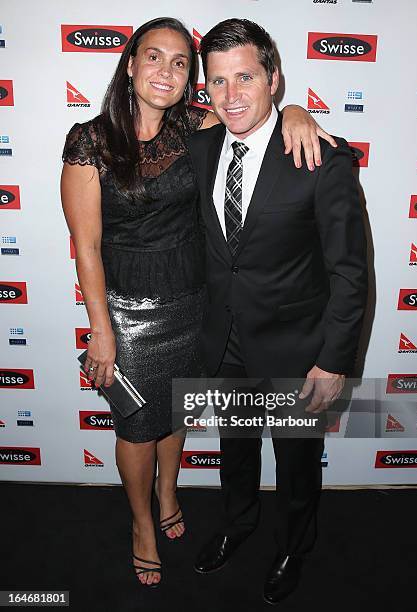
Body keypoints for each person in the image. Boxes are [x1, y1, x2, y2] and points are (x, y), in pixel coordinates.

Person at [61, 17, 337, 588]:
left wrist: (297, 113)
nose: (167, 70)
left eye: (180, 62)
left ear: (191, 79)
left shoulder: (198, 125)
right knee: (139, 427)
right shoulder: (89, 139)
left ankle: (170, 498)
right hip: (129, 316)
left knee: (179, 419)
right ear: (130, 63)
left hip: (197, 308)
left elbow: (253, 113)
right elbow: (85, 247)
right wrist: (101, 329)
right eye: (154, 57)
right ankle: (142, 525)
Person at [188, 18, 368, 604]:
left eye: (245, 77)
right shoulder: (200, 146)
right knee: (234, 453)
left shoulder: (322, 158)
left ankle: (293, 546)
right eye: (217, 82)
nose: (231, 94)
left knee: (296, 469)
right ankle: (238, 526)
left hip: (297, 351)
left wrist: (334, 360)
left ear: (274, 79)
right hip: (225, 344)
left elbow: (349, 272)